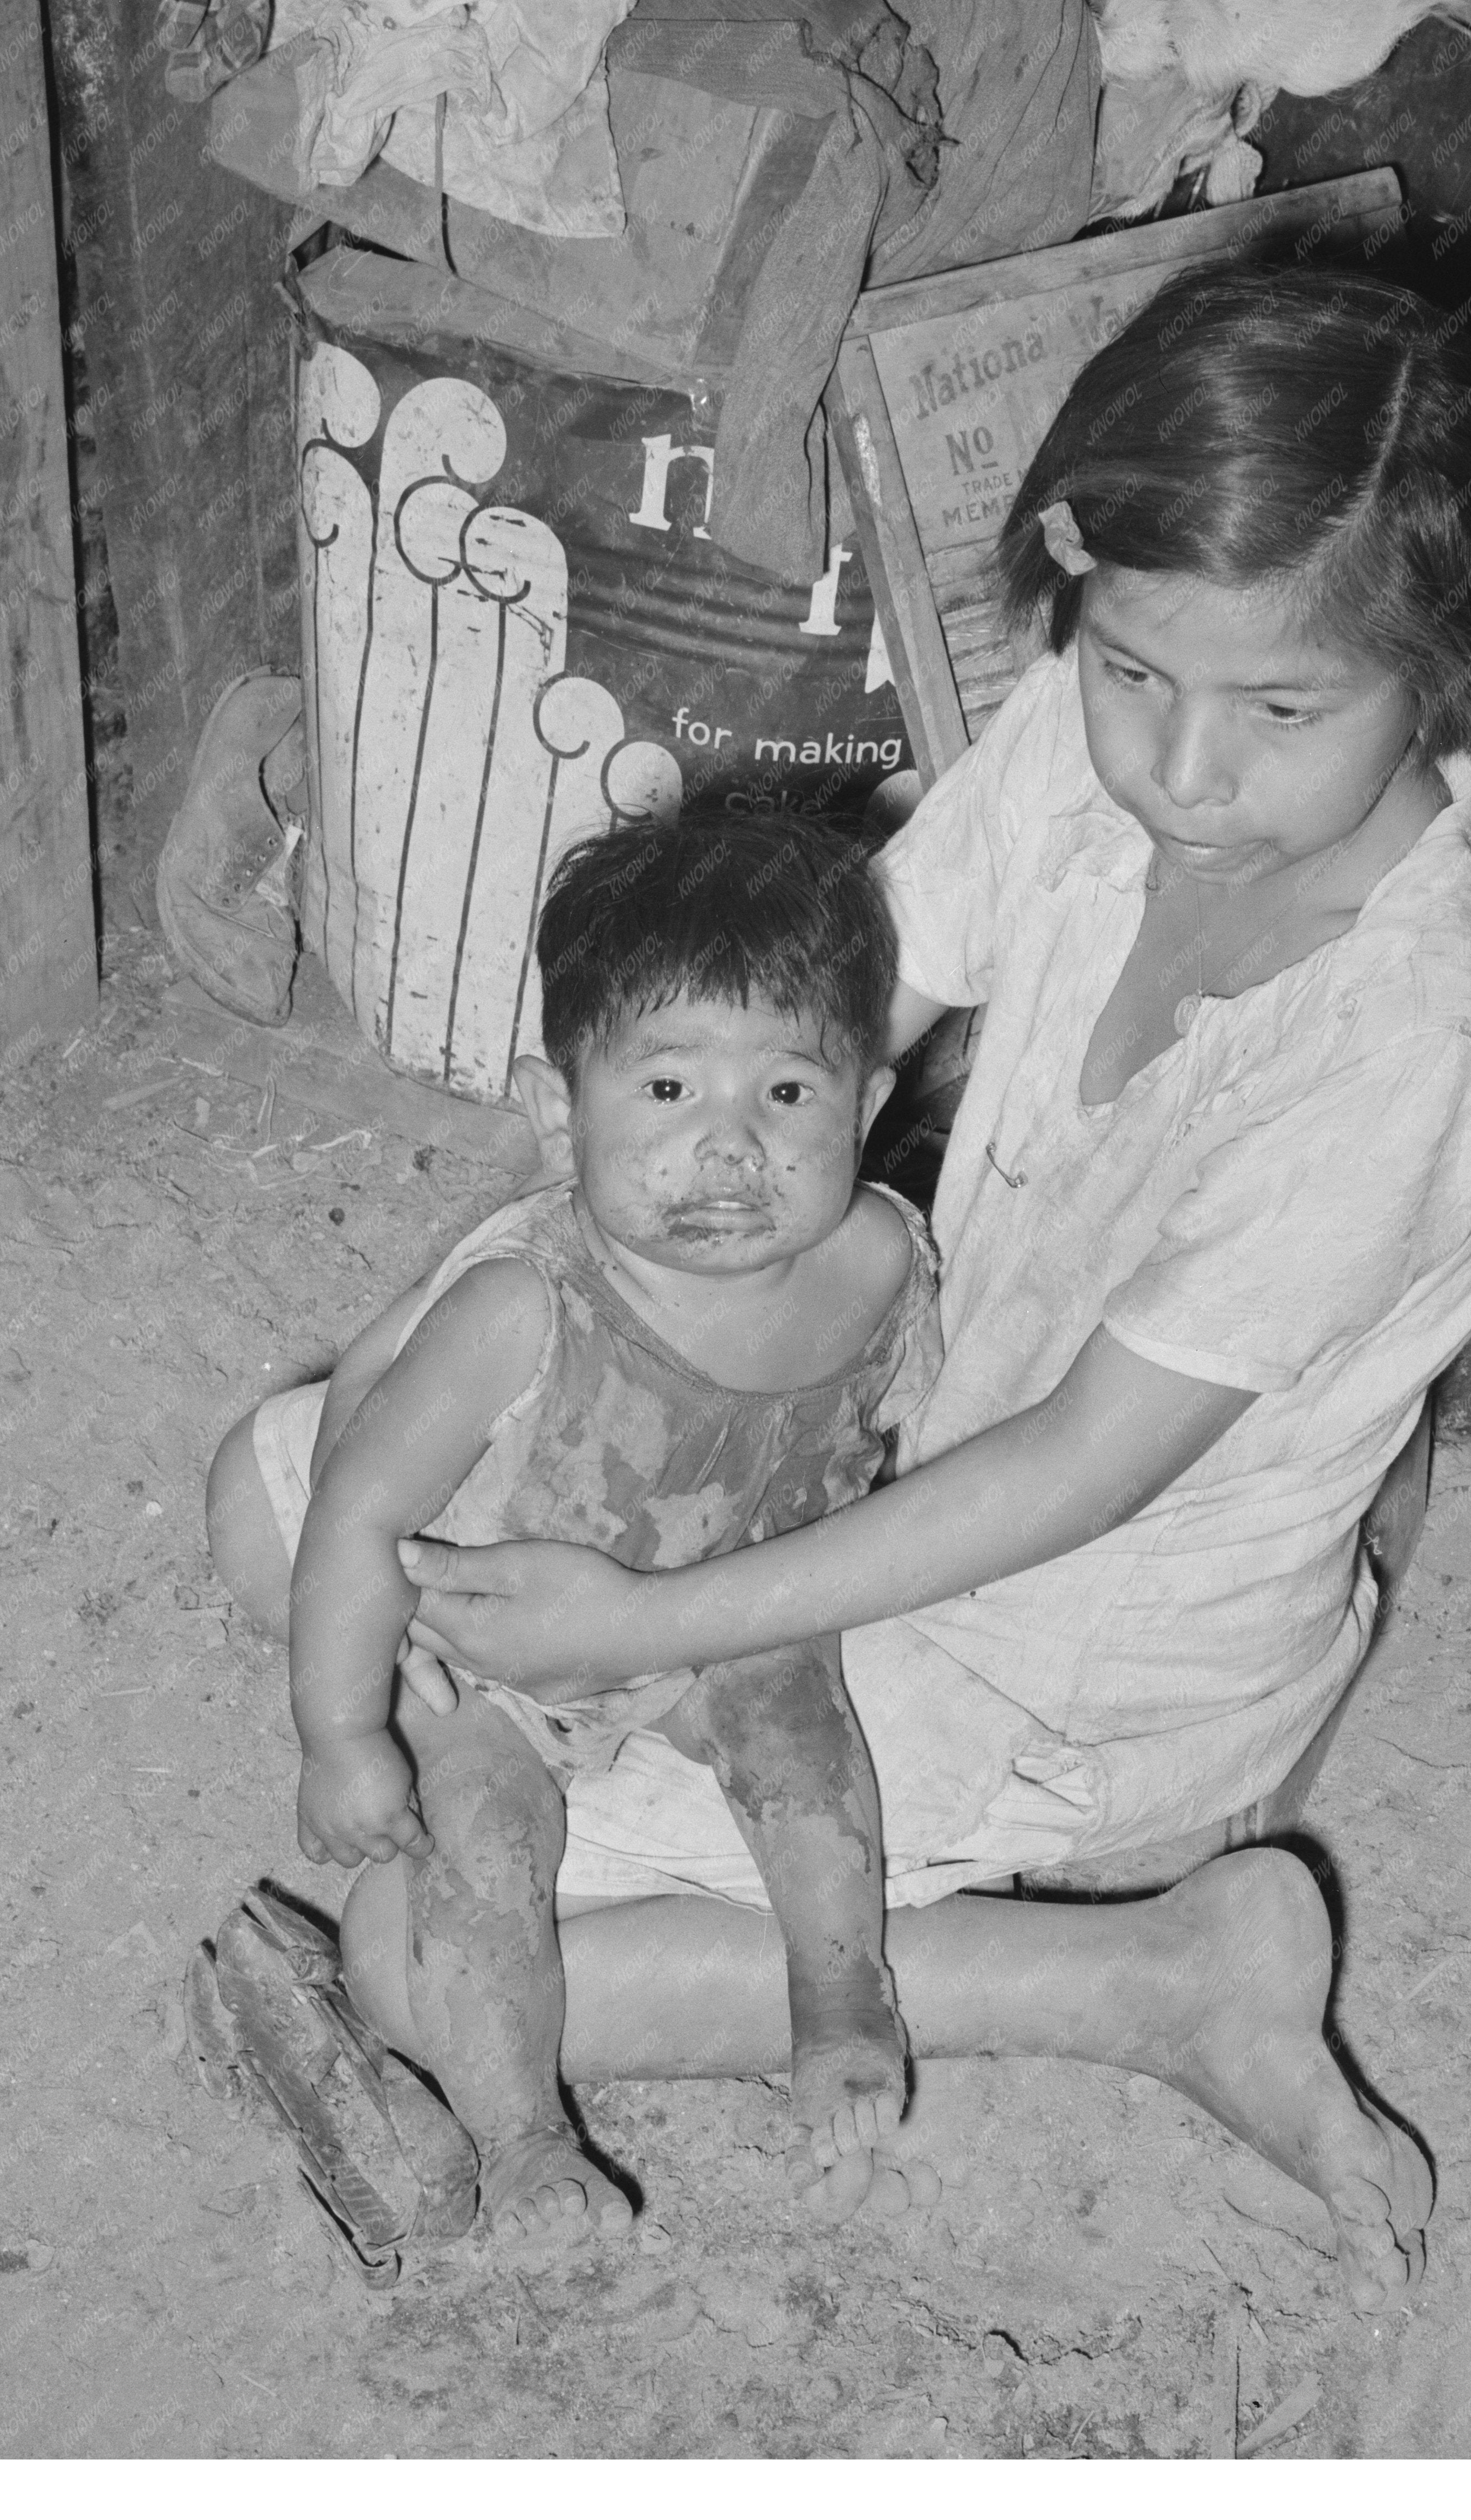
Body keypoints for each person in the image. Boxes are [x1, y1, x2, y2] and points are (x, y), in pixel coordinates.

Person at [368, 263, 1471, 2313]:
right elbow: (847, 1008)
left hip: (1073, 1662)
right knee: (306, 1481)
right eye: (1127, 674)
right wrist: (591, 1293)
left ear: (1435, 672)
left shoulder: (1410, 1048)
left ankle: (1145, 1967)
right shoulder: (1095, 750)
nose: (1182, 765)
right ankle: (644, 1680)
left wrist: (650, 1609)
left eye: (1282, 711)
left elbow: (1078, 1472)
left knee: (422, 1953)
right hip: (874, 1459)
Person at [207, 811, 942, 2257]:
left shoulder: (878, 1259)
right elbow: (361, 1505)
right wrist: (342, 1730)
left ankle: (843, 1997)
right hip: (504, 1658)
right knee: (478, 1845)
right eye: (664, 1086)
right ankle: (523, 2135)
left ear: (868, 1097)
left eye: (788, 1089)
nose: (728, 1148)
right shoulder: (524, 1306)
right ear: (563, 1115)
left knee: (804, 1744)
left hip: (723, 1615)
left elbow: (901, 1438)